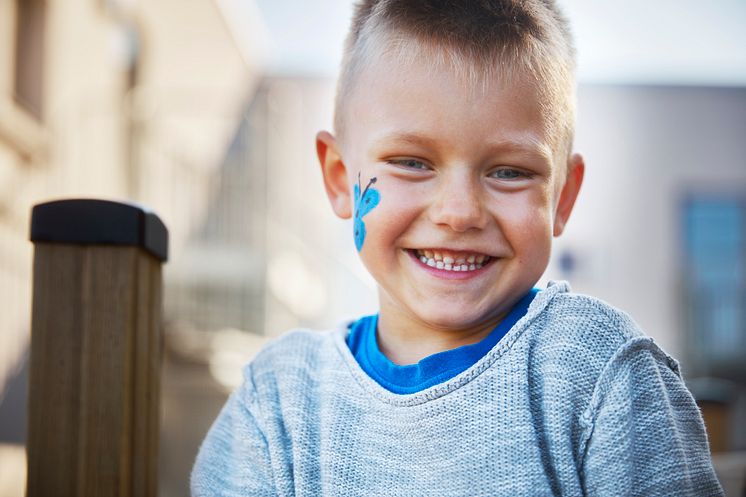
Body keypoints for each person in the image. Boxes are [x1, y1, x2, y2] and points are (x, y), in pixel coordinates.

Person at [191, 1, 724, 495]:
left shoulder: (601, 375)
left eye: (510, 172)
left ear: (562, 196)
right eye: (412, 162)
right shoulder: (279, 402)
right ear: (337, 177)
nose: (459, 211)